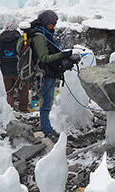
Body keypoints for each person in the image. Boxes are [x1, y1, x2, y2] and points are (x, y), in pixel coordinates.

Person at [18, 10, 77, 138]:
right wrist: (63, 54)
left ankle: (47, 128)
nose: (54, 25)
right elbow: (44, 58)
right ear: (46, 22)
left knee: (47, 102)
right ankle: (47, 130)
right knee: (46, 103)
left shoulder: (45, 33)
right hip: (44, 74)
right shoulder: (39, 37)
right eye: (53, 23)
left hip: (49, 72)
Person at [0, 27, 29, 111]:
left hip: (5, 70)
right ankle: (23, 108)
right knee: (23, 90)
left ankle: (10, 110)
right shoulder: (20, 39)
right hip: (19, 70)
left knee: (9, 92)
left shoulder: (0, 40)